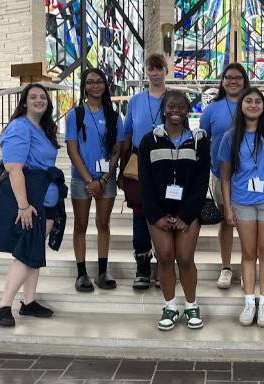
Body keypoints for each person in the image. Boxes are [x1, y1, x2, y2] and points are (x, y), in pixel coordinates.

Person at [0, 83, 63, 327]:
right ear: (24, 102)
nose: (39, 100)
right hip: (27, 197)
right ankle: (3, 306)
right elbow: (14, 168)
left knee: (33, 248)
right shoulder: (20, 127)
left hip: (43, 195)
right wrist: (23, 206)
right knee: (26, 249)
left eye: (43, 97)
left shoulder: (41, 127)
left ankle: (29, 302)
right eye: (33, 97)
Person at [138, 90, 212, 331]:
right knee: (165, 258)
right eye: (171, 106)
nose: (176, 110)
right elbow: (145, 182)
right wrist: (157, 215)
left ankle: (191, 305)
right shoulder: (149, 140)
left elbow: (201, 181)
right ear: (164, 109)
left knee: (185, 258)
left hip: (187, 213)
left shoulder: (200, 140)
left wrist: (186, 215)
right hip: (158, 211)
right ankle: (170, 306)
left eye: (181, 106)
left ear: (188, 110)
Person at [218, 87, 264, 327]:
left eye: (257, 101)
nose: (253, 105)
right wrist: (228, 207)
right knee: (248, 253)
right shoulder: (231, 136)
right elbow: (225, 176)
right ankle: (249, 301)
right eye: (248, 101)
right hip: (242, 201)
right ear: (241, 105)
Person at [64, 68, 124, 292]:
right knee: (81, 225)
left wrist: (105, 178)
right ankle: (81, 274)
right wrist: (90, 180)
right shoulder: (75, 114)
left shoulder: (114, 115)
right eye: (90, 82)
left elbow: (118, 150)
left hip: (106, 179)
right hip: (82, 179)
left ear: (105, 85)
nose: (95, 86)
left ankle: (102, 271)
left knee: (103, 224)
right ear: (84, 86)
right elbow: (72, 149)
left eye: (99, 82)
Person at [121, 53, 170, 290]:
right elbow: (128, 134)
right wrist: (123, 164)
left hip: (168, 162)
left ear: (166, 72)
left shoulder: (174, 98)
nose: (154, 73)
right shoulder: (136, 101)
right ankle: (142, 265)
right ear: (146, 71)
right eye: (151, 68)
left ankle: (164, 265)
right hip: (140, 160)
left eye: (159, 68)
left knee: (165, 211)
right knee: (140, 213)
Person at [201, 63, 250, 289]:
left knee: (248, 223)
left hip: (249, 176)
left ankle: (247, 266)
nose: (233, 81)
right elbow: (202, 142)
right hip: (221, 175)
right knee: (227, 221)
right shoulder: (212, 109)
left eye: (238, 77)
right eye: (228, 77)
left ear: (245, 80)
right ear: (222, 81)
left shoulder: (252, 104)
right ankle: (226, 268)